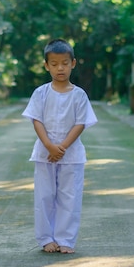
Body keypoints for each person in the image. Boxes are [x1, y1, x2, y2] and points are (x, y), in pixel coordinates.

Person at [22, 39, 97, 254]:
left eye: (64, 63)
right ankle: (46, 239)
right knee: (44, 196)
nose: (60, 68)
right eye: (54, 64)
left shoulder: (79, 95)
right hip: (44, 154)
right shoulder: (41, 93)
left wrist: (61, 147)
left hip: (71, 155)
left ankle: (65, 240)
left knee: (70, 197)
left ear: (73, 63)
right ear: (46, 66)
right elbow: (36, 119)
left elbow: (80, 122)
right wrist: (48, 145)